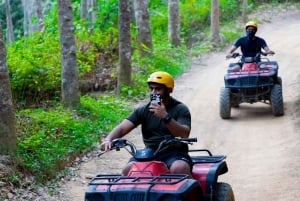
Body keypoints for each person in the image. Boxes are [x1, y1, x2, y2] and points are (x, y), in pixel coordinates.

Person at [100, 71, 192, 176]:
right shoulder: (143, 110)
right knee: (128, 170)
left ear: (169, 90)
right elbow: (122, 127)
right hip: (149, 153)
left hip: (174, 153)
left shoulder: (180, 109)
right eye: (151, 88)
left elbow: (184, 134)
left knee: (179, 168)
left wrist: (165, 116)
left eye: (158, 89)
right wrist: (108, 139)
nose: (153, 92)